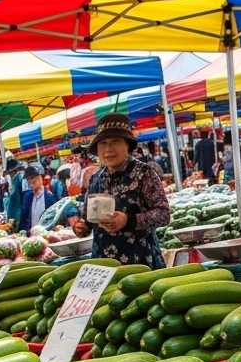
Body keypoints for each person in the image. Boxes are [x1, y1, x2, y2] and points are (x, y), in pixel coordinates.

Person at [68, 115, 171, 268]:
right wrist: (79, 226)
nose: (108, 149)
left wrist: (128, 220)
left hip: (141, 266)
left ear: (127, 145)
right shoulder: (95, 179)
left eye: (115, 141)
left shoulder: (144, 173)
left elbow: (163, 214)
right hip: (104, 268)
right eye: (103, 143)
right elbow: (87, 222)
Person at [16, 166, 56, 235]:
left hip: (45, 235)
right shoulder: (27, 197)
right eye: (28, 179)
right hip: (31, 237)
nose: (30, 181)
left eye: (32, 177)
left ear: (40, 177)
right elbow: (24, 218)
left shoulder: (49, 196)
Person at [5, 159, 25, 226]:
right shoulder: (13, 180)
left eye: (9, 173)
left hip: (18, 214)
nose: (9, 175)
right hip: (14, 214)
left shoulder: (20, 179)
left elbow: (23, 198)